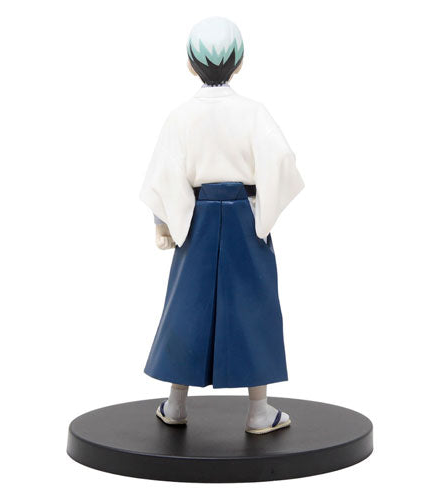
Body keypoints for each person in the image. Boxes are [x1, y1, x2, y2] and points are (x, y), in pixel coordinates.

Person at [140, 17, 304, 434]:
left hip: (196, 219)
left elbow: (164, 174)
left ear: (190, 65)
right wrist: (264, 209)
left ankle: (176, 406)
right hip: (245, 220)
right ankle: (258, 411)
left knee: (186, 309)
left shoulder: (181, 117)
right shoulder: (254, 113)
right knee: (253, 308)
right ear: (240, 62)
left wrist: (164, 222)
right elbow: (282, 161)